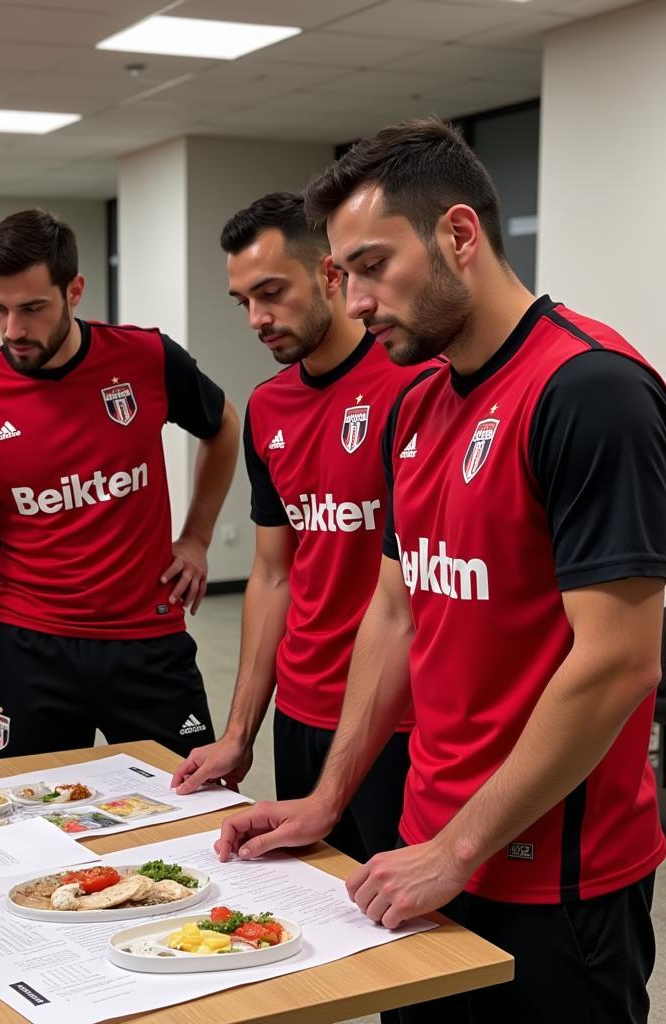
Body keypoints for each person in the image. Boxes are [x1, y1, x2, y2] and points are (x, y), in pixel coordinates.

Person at [215, 118, 666, 1023]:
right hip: (422, 849)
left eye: (374, 266)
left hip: (553, 879)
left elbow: (619, 661)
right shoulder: (417, 401)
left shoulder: (591, 391)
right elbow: (395, 614)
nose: (359, 300)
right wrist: (330, 799)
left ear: (460, 234)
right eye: (343, 276)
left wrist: (459, 848)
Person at [0, 208, 239, 777]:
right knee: (36, 823)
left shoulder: (146, 358)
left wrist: (196, 538)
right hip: (31, 645)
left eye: (31, 308)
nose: (12, 330)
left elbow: (223, 425)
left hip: (147, 638)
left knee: (192, 808)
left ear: (74, 290)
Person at [172, 193, 422, 868]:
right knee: (316, 909)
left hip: (399, 720)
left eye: (272, 293)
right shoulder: (266, 408)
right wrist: (239, 733)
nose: (257, 318)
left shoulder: (415, 386)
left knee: (405, 927)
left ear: (332, 276)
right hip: (301, 714)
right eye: (243, 301)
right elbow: (274, 574)